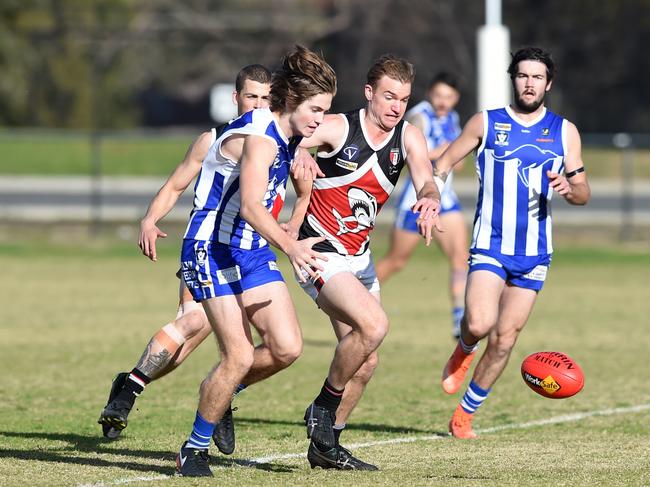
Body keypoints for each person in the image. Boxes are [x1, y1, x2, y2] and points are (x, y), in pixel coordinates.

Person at [170, 45, 336, 477]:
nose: (319, 119)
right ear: (293, 102)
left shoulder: (292, 134)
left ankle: (223, 393)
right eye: (315, 109)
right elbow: (251, 207)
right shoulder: (260, 136)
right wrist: (293, 246)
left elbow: (310, 155)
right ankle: (194, 448)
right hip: (212, 246)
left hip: (251, 249)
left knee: (287, 348)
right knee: (240, 354)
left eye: (325, 110)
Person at [98, 64, 274, 451]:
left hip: (249, 253)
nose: (259, 105)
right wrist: (149, 218)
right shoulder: (213, 139)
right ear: (235, 98)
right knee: (192, 321)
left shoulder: (279, 140)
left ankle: (200, 390)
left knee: (213, 344)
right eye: (251, 97)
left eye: (266, 98)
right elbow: (177, 183)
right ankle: (129, 391)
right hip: (207, 246)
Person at [294, 54, 442, 470]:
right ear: (369, 93)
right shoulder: (340, 127)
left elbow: (425, 177)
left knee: (366, 359)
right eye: (389, 97)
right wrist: (298, 152)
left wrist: (429, 197)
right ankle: (323, 407)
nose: (396, 106)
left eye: (404, 99)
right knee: (374, 325)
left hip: (359, 259)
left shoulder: (409, 136)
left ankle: (326, 445)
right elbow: (289, 135)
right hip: (318, 252)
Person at [434, 46, 590, 439]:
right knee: (481, 323)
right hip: (490, 243)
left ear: (548, 83)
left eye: (537, 77)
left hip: (535, 253)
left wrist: (569, 188)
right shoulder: (486, 123)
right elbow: (443, 162)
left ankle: (465, 415)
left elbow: (583, 190)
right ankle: (464, 349)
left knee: (504, 340)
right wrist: (431, 196)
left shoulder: (563, 130)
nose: (529, 83)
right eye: (523, 75)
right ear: (513, 79)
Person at [375, 72, 469, 338]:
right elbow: (412, 154)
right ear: (430, 93)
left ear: (456, 99)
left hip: (445, 199)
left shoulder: (452, 119)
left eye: (449, 97)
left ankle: (458, 320)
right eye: (439, 95)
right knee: (396, 261)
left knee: (461, 258)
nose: (443, 102)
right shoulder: (419, 117)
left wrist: (453, 155)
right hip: (416, 200)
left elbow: (457, 162)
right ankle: (354, 299)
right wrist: (446, 151)